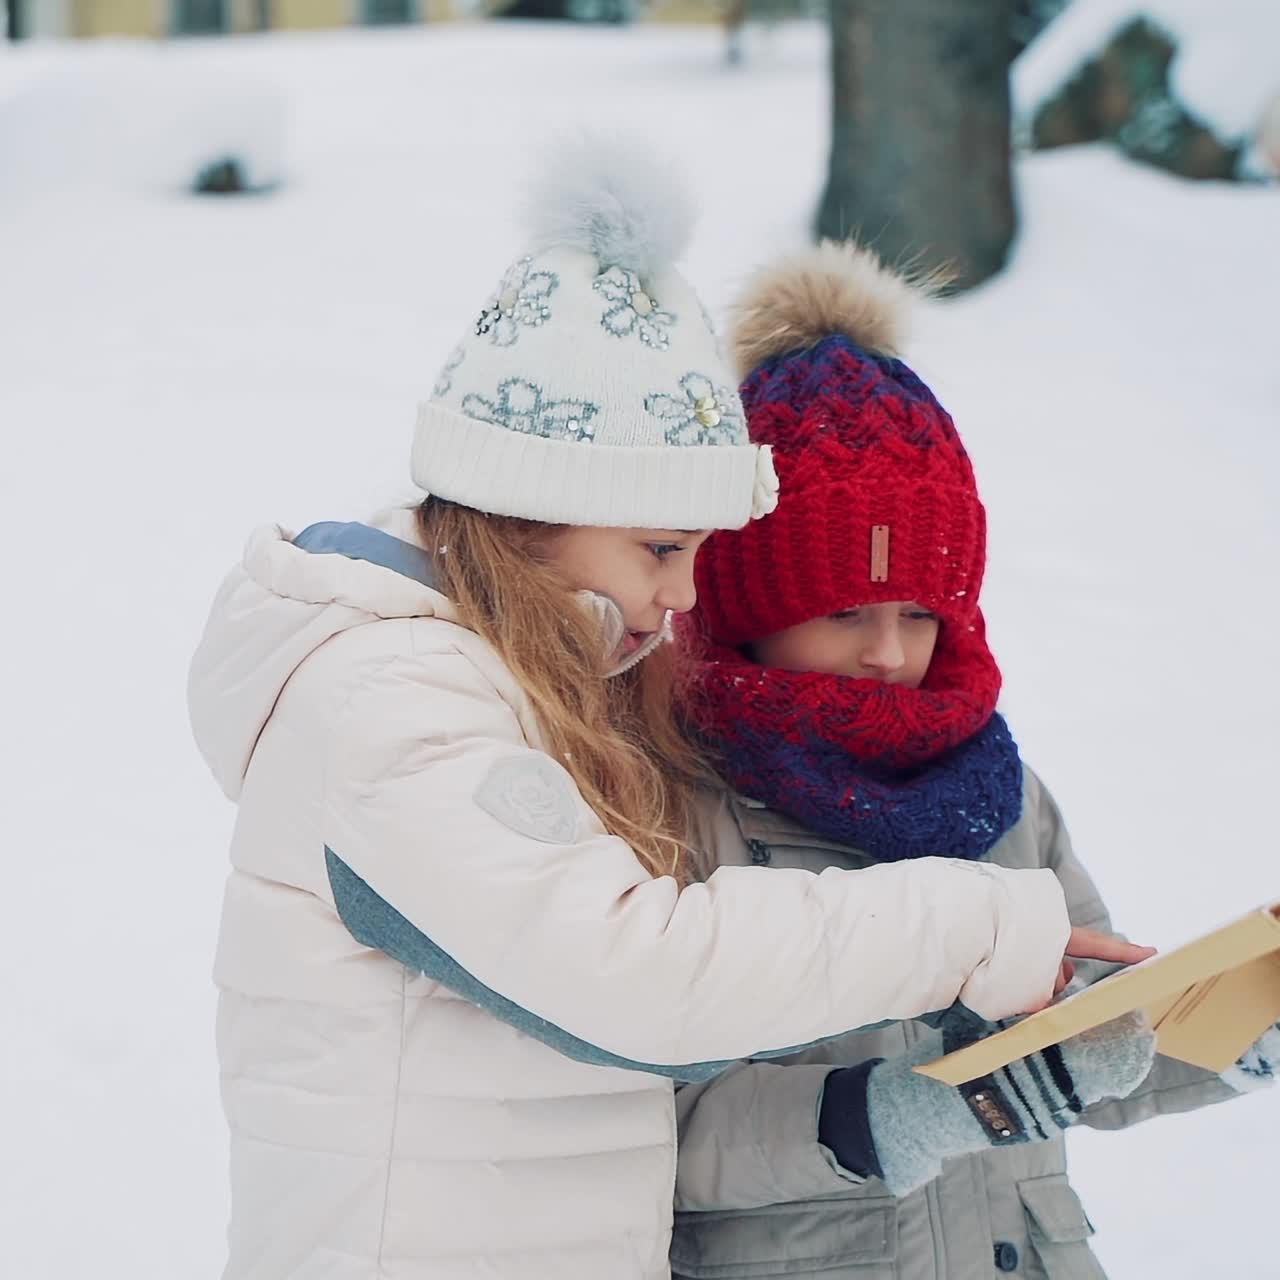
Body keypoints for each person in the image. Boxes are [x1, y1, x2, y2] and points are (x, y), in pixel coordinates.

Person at [188, 142, 1143, 1279]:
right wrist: (967, 926)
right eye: (661, 546)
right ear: (537, 505)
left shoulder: (520, 694)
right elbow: (630, 977)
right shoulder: (388, 706)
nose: (686, 593)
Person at [671, 239, 1279, 1280]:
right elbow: (643, 1130)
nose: (888, 652)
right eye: (843, 611)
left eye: (919, 610)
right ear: (743, 599)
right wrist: (906, 1110)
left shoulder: (994, 790)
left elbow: (1096, 1044)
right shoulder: (677, 798)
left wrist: (1244, 1021)